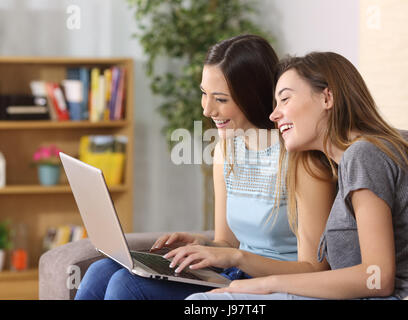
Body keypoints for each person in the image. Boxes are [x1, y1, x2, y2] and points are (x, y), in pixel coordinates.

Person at [74, 36, 336, 300]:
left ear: (253, 97)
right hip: (234, 275)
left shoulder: (302, 160)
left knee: (125, 286)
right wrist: (204, 244)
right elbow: (228, 242)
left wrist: (235, 256)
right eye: (204, 94)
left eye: (221, 99)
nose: (207, 110)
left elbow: (315, 269)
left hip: (274, 285)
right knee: (99, 272)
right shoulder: (226, 151)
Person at [187, 51, 408, 300]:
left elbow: (377, 278)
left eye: (285, 99)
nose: (273, 114)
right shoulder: (351, 160)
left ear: (327, 98)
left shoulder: (364, 155)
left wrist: (267, 284)